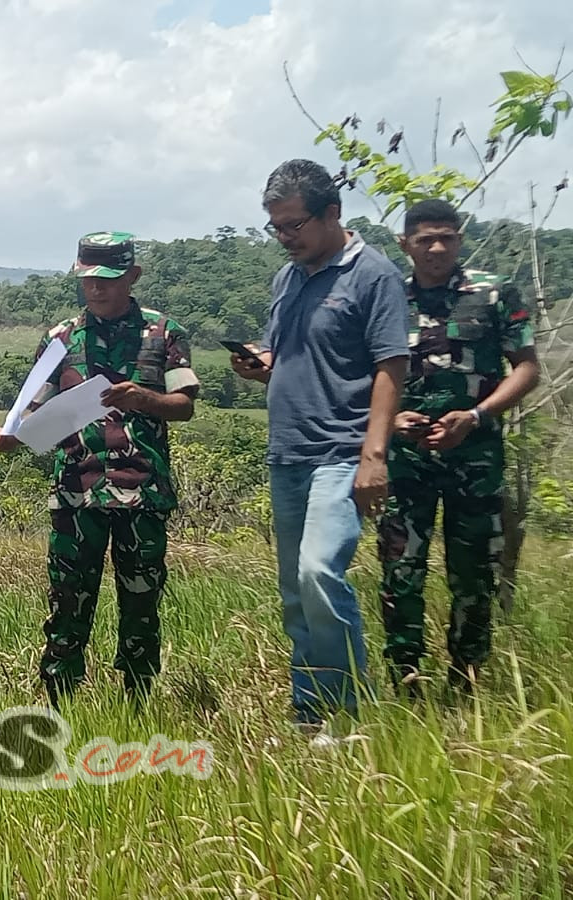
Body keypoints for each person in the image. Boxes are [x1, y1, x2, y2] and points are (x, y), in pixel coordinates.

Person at [233, 159, 409, 739]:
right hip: (287, 452)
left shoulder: (373, 275)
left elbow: (391, 366)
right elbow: (286, 356)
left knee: (318, 572)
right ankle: (311, 717)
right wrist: (259, 365)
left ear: (333, 212)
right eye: (276, 228)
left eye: (294, 225)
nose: (285, 237)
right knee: (293, 593)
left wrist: (374, 456)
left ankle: (350, 712)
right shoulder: (287, 278)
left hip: (342, 451)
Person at [0, 232, 199, 706]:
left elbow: (184, 406)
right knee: (68, 597)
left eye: (107, 280)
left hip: (141, 490)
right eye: (87, 280)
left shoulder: (163, 333)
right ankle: (60, 699)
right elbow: (34, 406)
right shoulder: (60, 339)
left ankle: (138, 698)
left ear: (132, 275)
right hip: (75, 491)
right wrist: (11, 436)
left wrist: (143, 398)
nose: (96, 289)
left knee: (141, 600)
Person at [378, 199, 540, 697]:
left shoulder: (492, 294)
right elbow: (364, 373)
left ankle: (465, 685)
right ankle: (407, 684)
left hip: (476, 457)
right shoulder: (385, 298)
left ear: (460, 239)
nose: (437, 247)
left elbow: (528, 368)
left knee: (473, 577)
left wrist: (474, 416)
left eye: (447, 236)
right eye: (425, 238)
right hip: (405, 461)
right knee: (400, 574)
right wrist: (388, 419)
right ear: (405, 244)